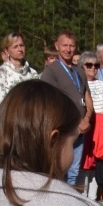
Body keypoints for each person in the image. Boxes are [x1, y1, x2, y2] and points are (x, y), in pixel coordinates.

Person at [41, 30, 94, 186]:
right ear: (57, 46)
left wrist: (86, 118)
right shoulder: (51, 72)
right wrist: (75, 122)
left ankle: (72, 199)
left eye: (71, 46)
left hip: (81, 131)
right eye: (64, 45)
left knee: (74, 173)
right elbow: (50, 103)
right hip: (63, 131)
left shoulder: (80, 71)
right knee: (59, 171)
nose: (68, 49)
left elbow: (87, 97)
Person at [0, 31, 40, 124]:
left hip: (31, 123)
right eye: (15, 46)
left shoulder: (33, 73)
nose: (20, 49)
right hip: (7, 123)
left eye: (21, 45)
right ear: (7, 51)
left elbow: (38, 99)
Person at [79, 50, 103, 176]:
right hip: (89, 124)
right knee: (86, 157)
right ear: (82, 67)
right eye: (89, 65)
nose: (93, 68)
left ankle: (96, 186)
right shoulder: (81, 84)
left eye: (96, 65)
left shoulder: (101, 83)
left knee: (99, 157)